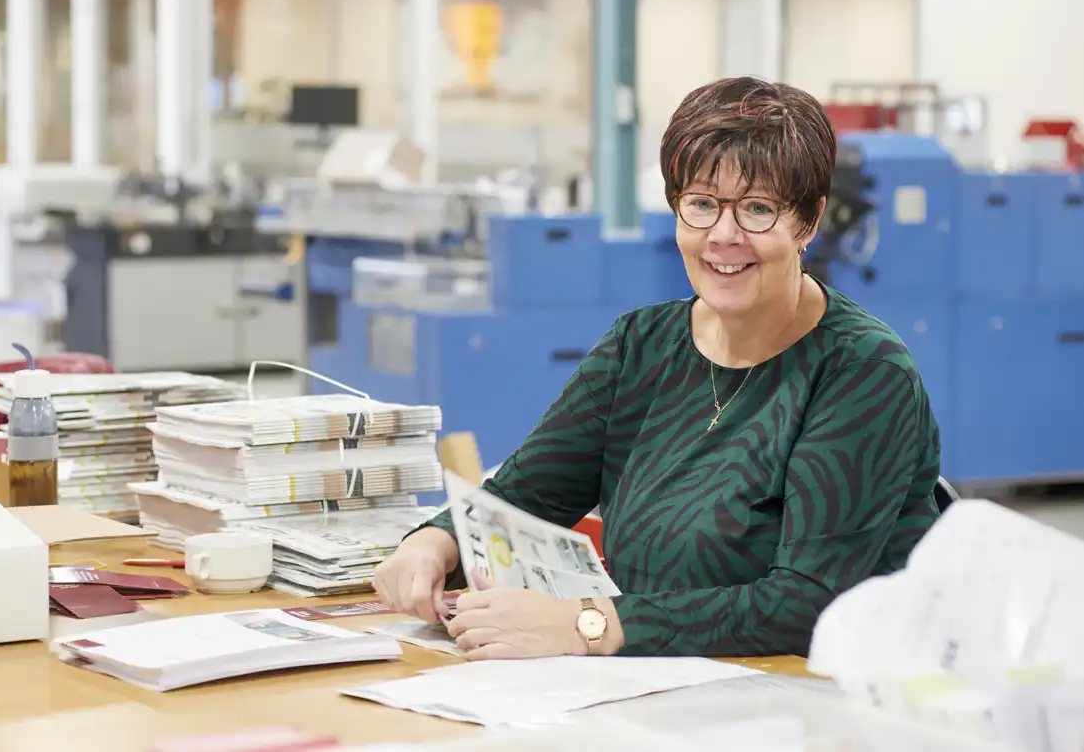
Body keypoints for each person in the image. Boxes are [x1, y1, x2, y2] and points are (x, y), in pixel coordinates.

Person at [373, 76, 942, 660]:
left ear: (809, 222)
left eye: (758, 209)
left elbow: (806, 604)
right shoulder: (640, 345)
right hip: (657, 687)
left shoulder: (863, 371)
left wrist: (585, 627)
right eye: (700, 204)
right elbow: (529, 490)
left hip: (810, 701)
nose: (723, 235)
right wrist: (434, 543)